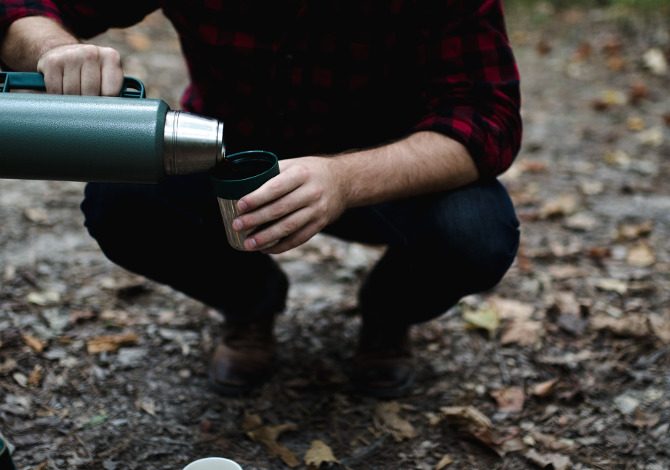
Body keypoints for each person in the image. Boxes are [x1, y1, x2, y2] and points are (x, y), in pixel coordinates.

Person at [0, 1, 522, 398]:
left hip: (387, 170)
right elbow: (24, 6)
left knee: (475, 234)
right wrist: (50, 48)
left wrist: (343, 180)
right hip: (227, 154)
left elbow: (487, 117)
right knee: (121, 201)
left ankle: (388, 315)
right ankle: (249, 304)